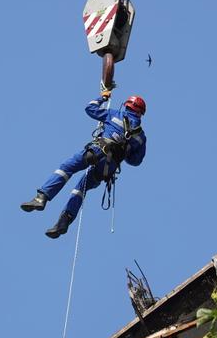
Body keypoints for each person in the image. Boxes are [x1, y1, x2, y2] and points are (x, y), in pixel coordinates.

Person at [23, 92, 147, 238]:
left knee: (66, 168)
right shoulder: (140, 136)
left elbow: (90, 108)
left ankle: (41, 197)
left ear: (126, 105)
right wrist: (125, 150)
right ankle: (64, 221)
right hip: (108, 169)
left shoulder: (113, 114)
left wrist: (103, 97)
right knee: (81, 188)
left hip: (97, 151)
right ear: (140, 113)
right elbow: (136, 161)